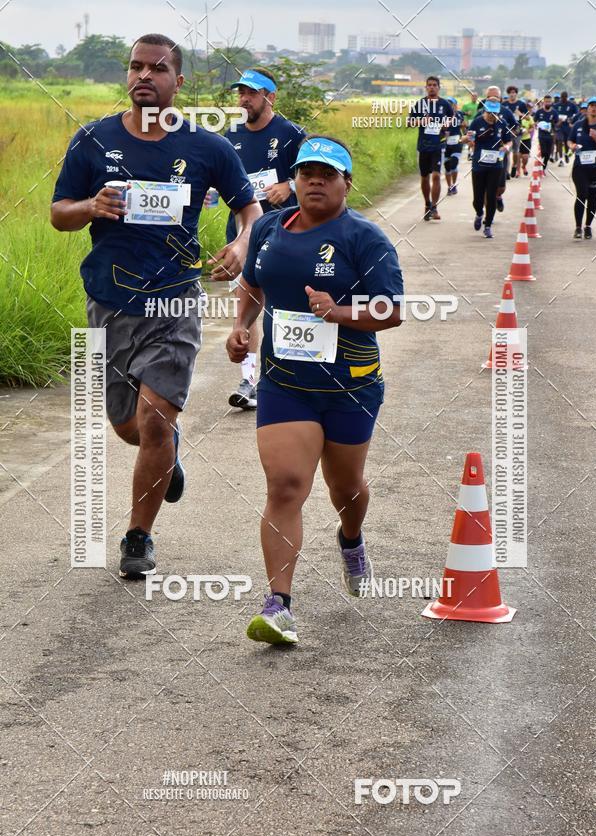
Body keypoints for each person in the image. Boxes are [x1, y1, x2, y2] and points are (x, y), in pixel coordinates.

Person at [51, 33, 261, 579]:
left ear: (178, 81)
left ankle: (138, 537)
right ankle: (167, 454)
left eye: (157, 69)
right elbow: (59, 214)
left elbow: (250, 212)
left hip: (174, 301)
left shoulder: (206, 147)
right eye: (136, 67)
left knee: (152, 420)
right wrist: (90, 205)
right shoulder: (91, 140)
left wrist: (240, 244)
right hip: (109, 300)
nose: (144, 76)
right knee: (126, 425)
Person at [225, 136, 404, 646]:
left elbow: (391, 310)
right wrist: (243, 327)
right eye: (306, 173)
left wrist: (340, 312)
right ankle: (279, 605)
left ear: (347, 183)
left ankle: (351, 539)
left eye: (328, 174)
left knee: (345, 489)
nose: (315, 182)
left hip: (350, 385)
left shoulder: (364, 239)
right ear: (295, 180)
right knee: (285, 485)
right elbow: (254, 285)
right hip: (286, 385)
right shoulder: (267, 228)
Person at [223, 67, 306, 410]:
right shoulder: (229, 136)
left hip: (287, 233)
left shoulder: (291, 134)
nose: (244, 99)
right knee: (246, 308)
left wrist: (290, 185)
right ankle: (249, 380)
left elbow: (317, 177)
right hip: (244, 235)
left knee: (286, 306)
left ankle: (294, 374)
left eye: (252, 93)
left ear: (270, 97)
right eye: (241, 92)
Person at [407, 76, 454, 220]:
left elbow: (453, 118)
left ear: (439, 87)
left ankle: (434, 207)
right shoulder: (420, 104)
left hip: (438, 146)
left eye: (434, 85)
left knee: (436, 176)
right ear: (426, 87)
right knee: (424, 177)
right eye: (429, 85)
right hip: (423, 146)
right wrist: (421, 120)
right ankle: (427, 204)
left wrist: (447, 123)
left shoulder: (444, 104)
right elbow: (409, 122)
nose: (432, 87)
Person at [466, 99, 512, 239]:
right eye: (490, 113)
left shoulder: (502, 123)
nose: (492, 116)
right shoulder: (477, 122)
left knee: (491, 196)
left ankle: (488, 226)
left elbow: (508, 140)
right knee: (477, 199)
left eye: (495, 113)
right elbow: (469, 138)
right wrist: (468, 139)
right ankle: (479, 213)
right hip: (479, 165)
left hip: (496, 165)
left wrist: (507, 147)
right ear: (485, 111)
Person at [568, 96, 596, 239]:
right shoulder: (578, 125)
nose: (594, 108)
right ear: (587, 109)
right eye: (591, 105)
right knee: (582, 195)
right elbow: (570, 140)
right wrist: (572, 146)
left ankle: (588, 226)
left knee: (593, 199)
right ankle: (578, 227)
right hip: (580, 167)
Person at [442, 97, 466, 195]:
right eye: (448, 103)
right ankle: (449, 186)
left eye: (451, 103)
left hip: (457, 142)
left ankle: (454, 184)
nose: (449, 105)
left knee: (454, 164)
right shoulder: (442, 115)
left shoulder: (459, 114)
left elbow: (464, 125)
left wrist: (465, 134)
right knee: (447, 166)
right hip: (445, 143)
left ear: (455, 105)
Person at [502, 86, 528, 177]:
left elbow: (528, 118)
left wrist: (520, 114)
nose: (512, 94)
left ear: (516, 93)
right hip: (506, 130)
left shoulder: (521, 104)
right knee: (507, 151)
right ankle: (506, 172)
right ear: (508, 94)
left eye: (514, 92)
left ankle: (514, 165)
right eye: (510, 92)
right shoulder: (504, 104)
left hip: (517, 130)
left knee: (516, 151)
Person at [534, 95, 559, 170]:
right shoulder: (539, 111)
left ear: (551, 102)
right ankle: (541, 163)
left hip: (550, 135)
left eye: (549, 102)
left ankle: (544, 165)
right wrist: (539, 125)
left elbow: (557, 122)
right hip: (541, 135)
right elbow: (535, 121)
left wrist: (553, 125)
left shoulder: (554, 112)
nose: (548, 103)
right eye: (546, 102)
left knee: (548, 152)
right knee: (543, 151)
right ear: (543, 102)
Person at [555, 91, 579, 166]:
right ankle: (561, 159)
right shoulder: (557, 105)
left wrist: (571, 119)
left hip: (568, 127)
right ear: (560, 98)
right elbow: (554, 114)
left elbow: (576, 114)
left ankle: (566, 154)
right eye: (562, 98)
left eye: (565, 98)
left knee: (566, 143)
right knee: (559, 140)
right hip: (560, 126)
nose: (563, 99)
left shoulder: (571, 105)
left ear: (567, 97)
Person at [518, 109, 535, 176]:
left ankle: (523, 166)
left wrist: (528, 131)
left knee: (525, 157)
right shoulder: (515, 117)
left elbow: (533, 127)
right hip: (518, 139)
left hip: (526, 139)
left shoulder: (529, 118)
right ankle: (518, 171)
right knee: (518, 156)